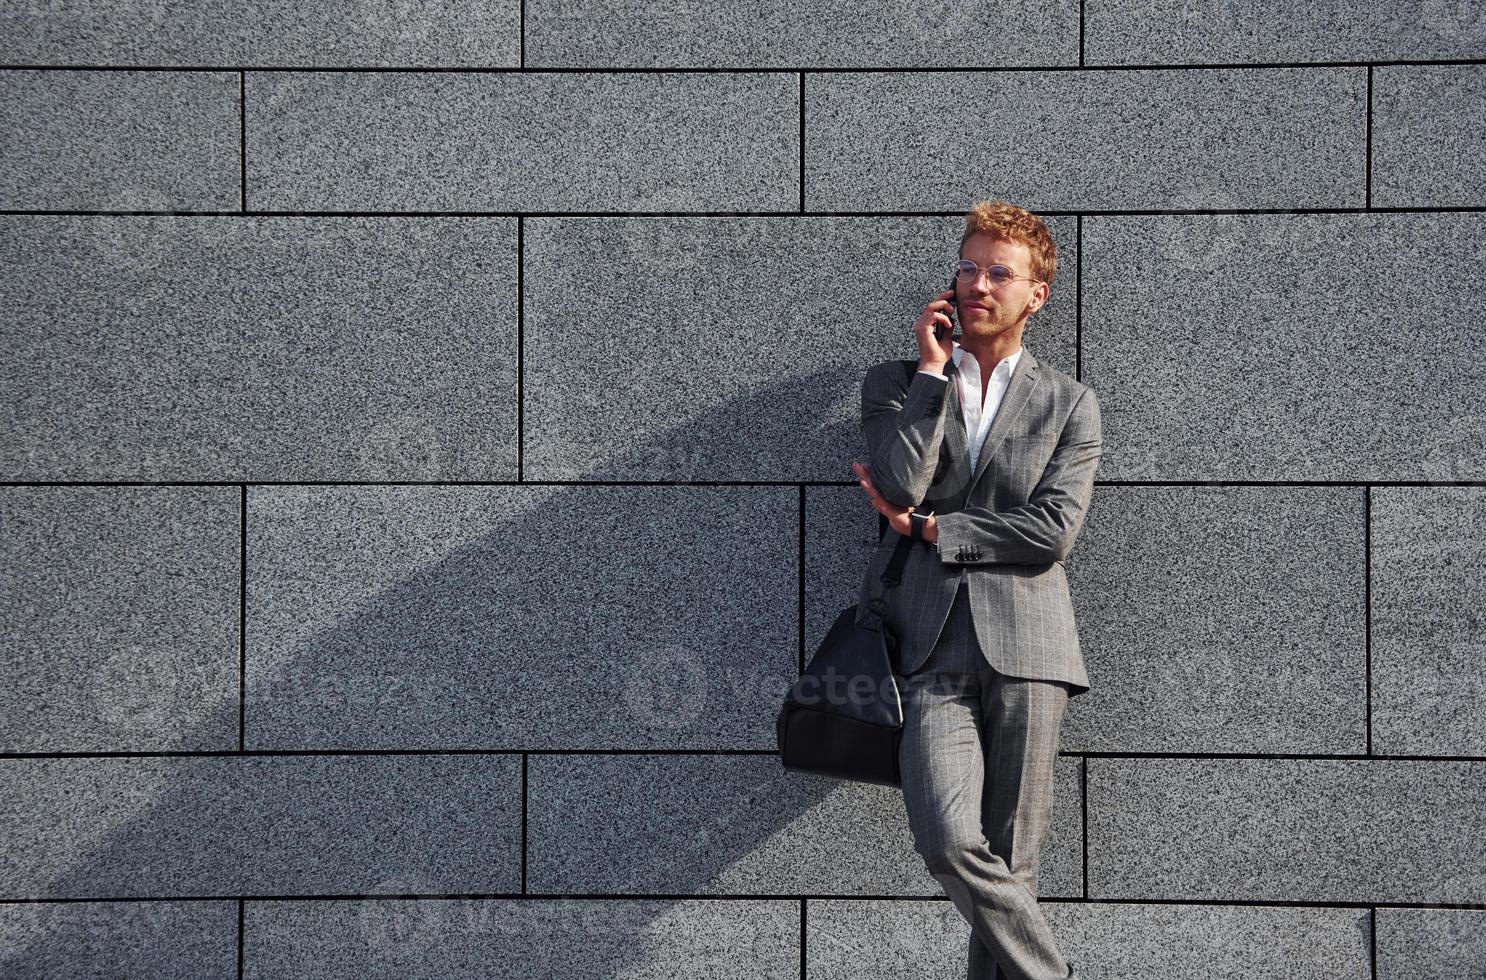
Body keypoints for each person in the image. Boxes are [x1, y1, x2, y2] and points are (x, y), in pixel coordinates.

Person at [849, 199, 1102, 980]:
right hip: (926, 645)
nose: (978, 284)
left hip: (1031, 648)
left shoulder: (1070, 403)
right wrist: (932, 374)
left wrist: (931, 530)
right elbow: (897, 479)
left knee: (1014, 863)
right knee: (949, 841)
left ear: (1036, 295)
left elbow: (1052, 532)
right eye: (968, 267)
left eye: (1000, 272)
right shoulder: (896, 383)